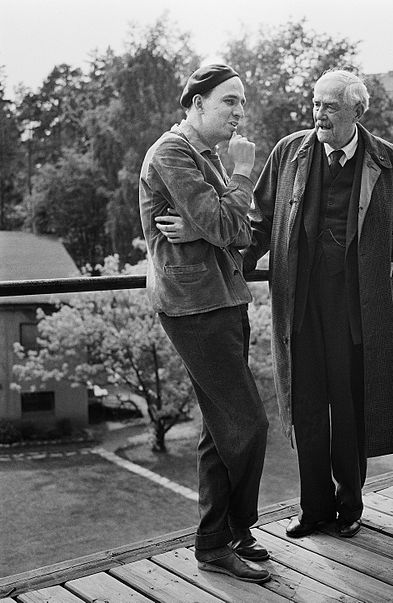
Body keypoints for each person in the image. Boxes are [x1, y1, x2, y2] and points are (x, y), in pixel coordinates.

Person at [241, 69, 393, 539]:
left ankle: (350, 508)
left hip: (357, 308)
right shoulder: (289, 151)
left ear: (358, 111)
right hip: (300, 306)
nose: (319, 114)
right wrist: (237, 265)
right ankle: (314, 513)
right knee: (307, 410)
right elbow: (260, 219)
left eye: (329, 106)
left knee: (351, 410)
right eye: (315, 104)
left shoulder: (387, 160)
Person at [138, 64, 270, 584]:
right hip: (195, 307)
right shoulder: (171, 153)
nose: (240, 113)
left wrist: (206, 226)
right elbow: (226, 223)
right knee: (249, 423)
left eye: (241, 103)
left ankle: (223, 538)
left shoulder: (204, 157)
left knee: (221, 428)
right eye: (229, 102)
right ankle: (227, 532)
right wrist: (239, 177)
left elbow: (237, 231)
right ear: (196, 104)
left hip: (224, 301)